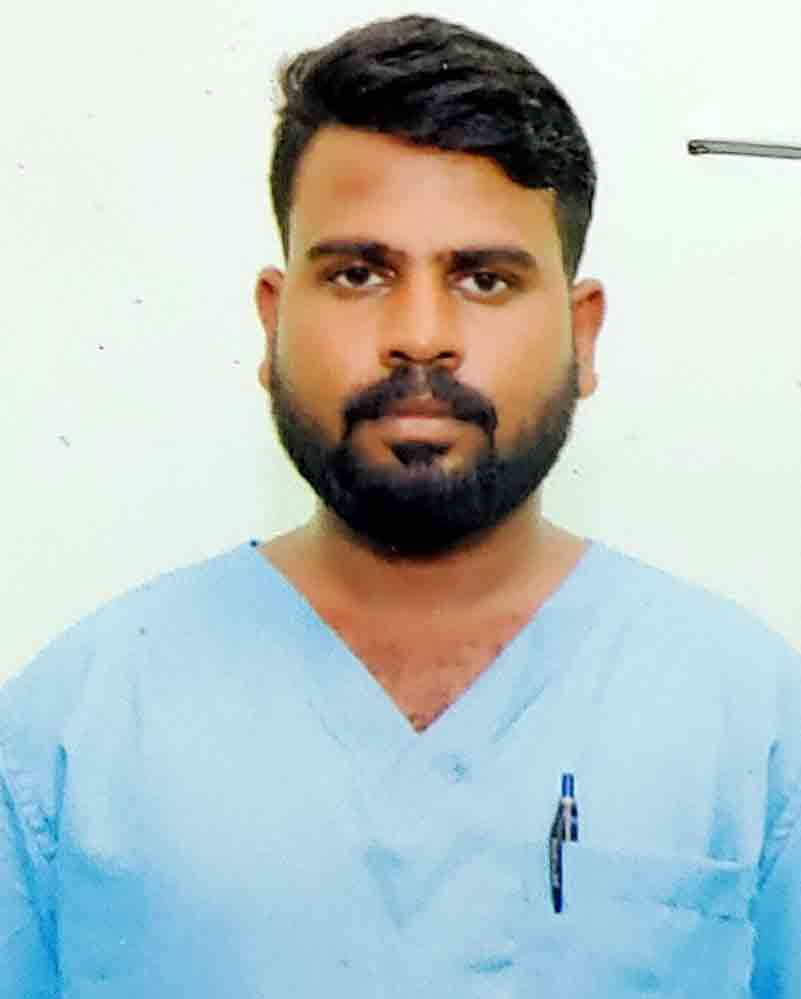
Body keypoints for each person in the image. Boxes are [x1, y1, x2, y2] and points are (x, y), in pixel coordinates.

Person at [2, 13, 799, 997]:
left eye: (485, 279)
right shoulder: (73, 730)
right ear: (273, 322)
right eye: (358, 274)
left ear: (582, 334)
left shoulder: (752, 719)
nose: (420, 335)